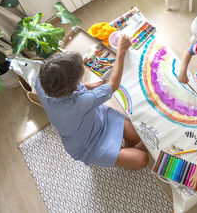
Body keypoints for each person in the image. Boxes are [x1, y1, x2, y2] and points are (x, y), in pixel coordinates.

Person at [35, 35, 149, 170]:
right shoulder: (79, 104)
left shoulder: (40, 81)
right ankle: (120, 154)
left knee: (138, 137)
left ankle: (121, 151)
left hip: (97, 118)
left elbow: (71, 90)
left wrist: (89, 87)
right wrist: (121, 51)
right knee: (142, 159)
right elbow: (113, 84)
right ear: (71, 86)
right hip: (89, 146)